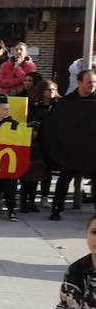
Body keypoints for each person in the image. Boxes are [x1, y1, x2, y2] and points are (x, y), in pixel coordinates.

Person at [49, 70, 96, 221]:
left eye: (94, 82)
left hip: (93, 150)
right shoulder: (66, 101)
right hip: (72, 150)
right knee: (64, 179)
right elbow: (57, 125)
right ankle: (57, 209)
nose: (92, 85)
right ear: (79, 82)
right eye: (89, 82)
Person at [22, 80, 59, 213]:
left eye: (54, 89)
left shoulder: (58, 106)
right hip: (35, 143)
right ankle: (26, 201)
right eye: (49, 89)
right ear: (42, 91)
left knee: (47, 172)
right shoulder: (33, 106)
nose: (52, 92)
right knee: (31, 172)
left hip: (50, 143)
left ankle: (43, 196)